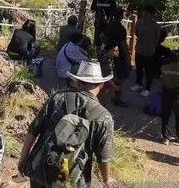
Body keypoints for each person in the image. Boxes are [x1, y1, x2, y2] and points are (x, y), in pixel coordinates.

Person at [19, 60, 116, 188]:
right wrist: (106, 179)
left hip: (41, 169)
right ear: (102, 85)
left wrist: (23, 158)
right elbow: (104, 157)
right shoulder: (104, 117)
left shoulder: (57, 98)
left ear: (78, 81)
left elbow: (33, 130)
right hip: (70, 179)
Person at [159, 49, 179, 143]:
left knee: (165, 117)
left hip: (166, 95)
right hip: (178, 97)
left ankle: (165, 137)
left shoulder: (163, 68)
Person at [131, 7, 160, 97]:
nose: (145, 15)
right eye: (144, 13)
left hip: (150, 51)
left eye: (147, 13)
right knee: (138, 68)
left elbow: (157, 38)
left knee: (149, 71)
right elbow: (136, 33)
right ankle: (138, 84)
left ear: (151, 14)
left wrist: (151, 45)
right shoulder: (139, 22)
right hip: (139, 49)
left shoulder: (155, 25)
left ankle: (147, 88)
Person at [96, 40, 129, 108]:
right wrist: (115, 86)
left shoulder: (104, 54)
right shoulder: (106, 62)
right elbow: (107, 77)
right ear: (110, 51)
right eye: (115, 51)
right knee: (104, 101)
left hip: (103, 79)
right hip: (104, 83)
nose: (118, 52)